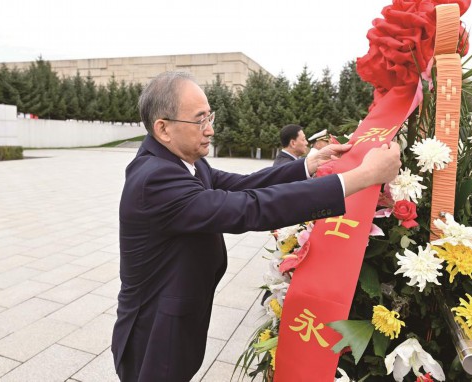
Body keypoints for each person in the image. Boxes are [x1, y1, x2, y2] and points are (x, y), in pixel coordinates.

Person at [111, 71, 402, 382]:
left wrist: (310, 164)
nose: (210, 130)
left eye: (210, 117)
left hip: (175, 318)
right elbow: (248, 207)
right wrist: (361, 178)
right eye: (199, 121)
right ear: (163, 128)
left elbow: (243, 185)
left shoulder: (184, 161)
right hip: (154, 332)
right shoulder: (155, 179)